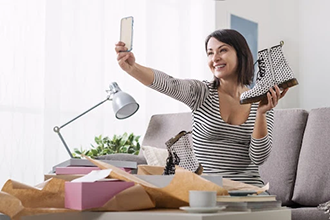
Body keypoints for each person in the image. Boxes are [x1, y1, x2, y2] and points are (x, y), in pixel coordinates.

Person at [115, 29, 288, 187]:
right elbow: (169, 84)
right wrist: (132, 68)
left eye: (223, 50)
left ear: (241, 55)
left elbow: (259, 157)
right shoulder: (201, 93)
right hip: (208, 191)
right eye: (210, 53)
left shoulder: (262, 101)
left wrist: (261, 113)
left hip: (249, 190)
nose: (215, 58)